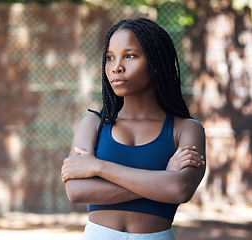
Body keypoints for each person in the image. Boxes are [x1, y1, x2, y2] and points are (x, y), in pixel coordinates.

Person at [61, 17, 206, 240]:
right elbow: (77, 191)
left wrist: (98, 167)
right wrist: (162, 179)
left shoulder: (186, 129)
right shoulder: (93, 125)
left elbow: (179, 190)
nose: (116, 67)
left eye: (129, 56)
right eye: (110, 58)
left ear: (156, 61)